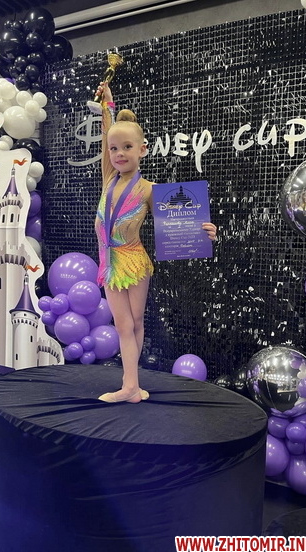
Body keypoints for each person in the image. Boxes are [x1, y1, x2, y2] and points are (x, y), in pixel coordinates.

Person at [94, 83, 217, 403]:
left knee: (134, 323)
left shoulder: (148, 189)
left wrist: (203, 231)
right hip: (110, 262)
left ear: (142, 150)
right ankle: (131, 387)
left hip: (134, 261)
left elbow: (177, 221)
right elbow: (107, 131)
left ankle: (130, 386)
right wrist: (108, 105)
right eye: (114, 149)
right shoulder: (108, 178)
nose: (119, 154)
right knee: (124, 325)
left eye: (127, 147)